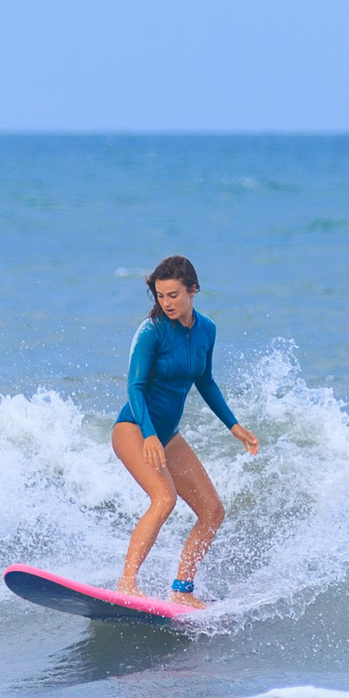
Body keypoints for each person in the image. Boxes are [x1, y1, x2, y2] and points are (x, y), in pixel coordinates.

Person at [112, 255, 262, 599]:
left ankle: (182, 590)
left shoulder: (207, 329)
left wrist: (233, 425)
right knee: (163, 499)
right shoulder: (151, 332)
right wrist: (149, 434)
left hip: (167, 435)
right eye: (160, 296)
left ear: (193, 291)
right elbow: (134, 387)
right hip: (134, 428)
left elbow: (205, 381)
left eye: (173, 295)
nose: (166, 303)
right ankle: (127, 584)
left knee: (212, 510)